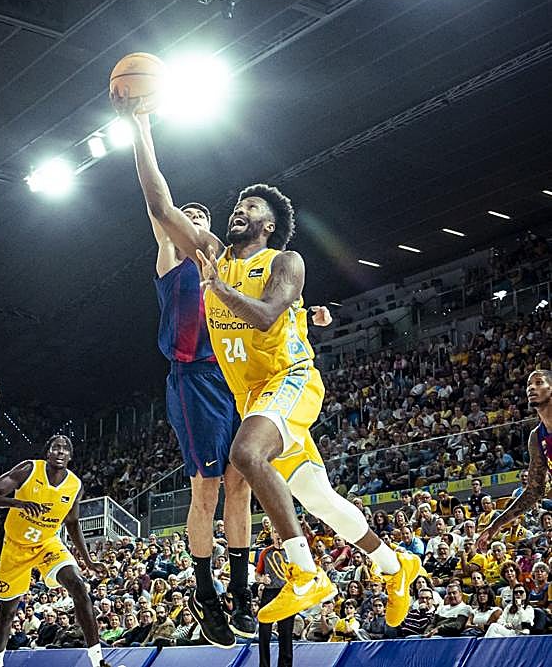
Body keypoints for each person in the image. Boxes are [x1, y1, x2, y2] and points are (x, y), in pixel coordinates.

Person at [118, 99, 423, 630]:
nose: (240, 208)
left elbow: (264, 317)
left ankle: (305, 573)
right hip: (251, 395)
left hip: (290, 380)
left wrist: (219, 290)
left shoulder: (285, 261)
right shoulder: (211, 254)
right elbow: (161, 204)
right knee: (319, 498)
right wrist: (139, 124)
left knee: (244, 454)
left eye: (252, 206)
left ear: (270, 224)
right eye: (238, 203)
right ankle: (394, 566)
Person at [124, 107, 253, 647]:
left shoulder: (226, 269)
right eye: (185, 216)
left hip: (234, 379)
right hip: (192, 380)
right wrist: (142, 129)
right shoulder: (169, 260)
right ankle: (205, 594)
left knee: (241, 482)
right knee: (207, 490)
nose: (191, 221)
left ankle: (241, 591)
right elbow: (157, 197)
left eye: (201, 216)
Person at [0, 435, 110, 667]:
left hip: (47, 543)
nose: (60, 451)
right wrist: (18, 503)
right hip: (15, 547)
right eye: (56, 447)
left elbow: (72, 522)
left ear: (70, 456)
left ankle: (98, 660)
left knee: (78, 586)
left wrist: (88, 561)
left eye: (65, 448)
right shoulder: (29, 470)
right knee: (7, 611)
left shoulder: (75, 485)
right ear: (48, 452)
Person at [477, 370, 552, 549]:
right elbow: (534, 491)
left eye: (539, 382)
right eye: (528, 385)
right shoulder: (536, 437)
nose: (531, 388)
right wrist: (496, 524)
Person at [255, 528, 293, 667]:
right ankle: (264, 664)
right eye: (275, 532)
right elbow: (257, 574)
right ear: (272, 534)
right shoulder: (265, 552)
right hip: (269, 592)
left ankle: (285, 664)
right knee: (264, 631)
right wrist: (262, 579)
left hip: (287, 593)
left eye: (280, 531)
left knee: (286, 632)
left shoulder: (291, 551)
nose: (278, 535)